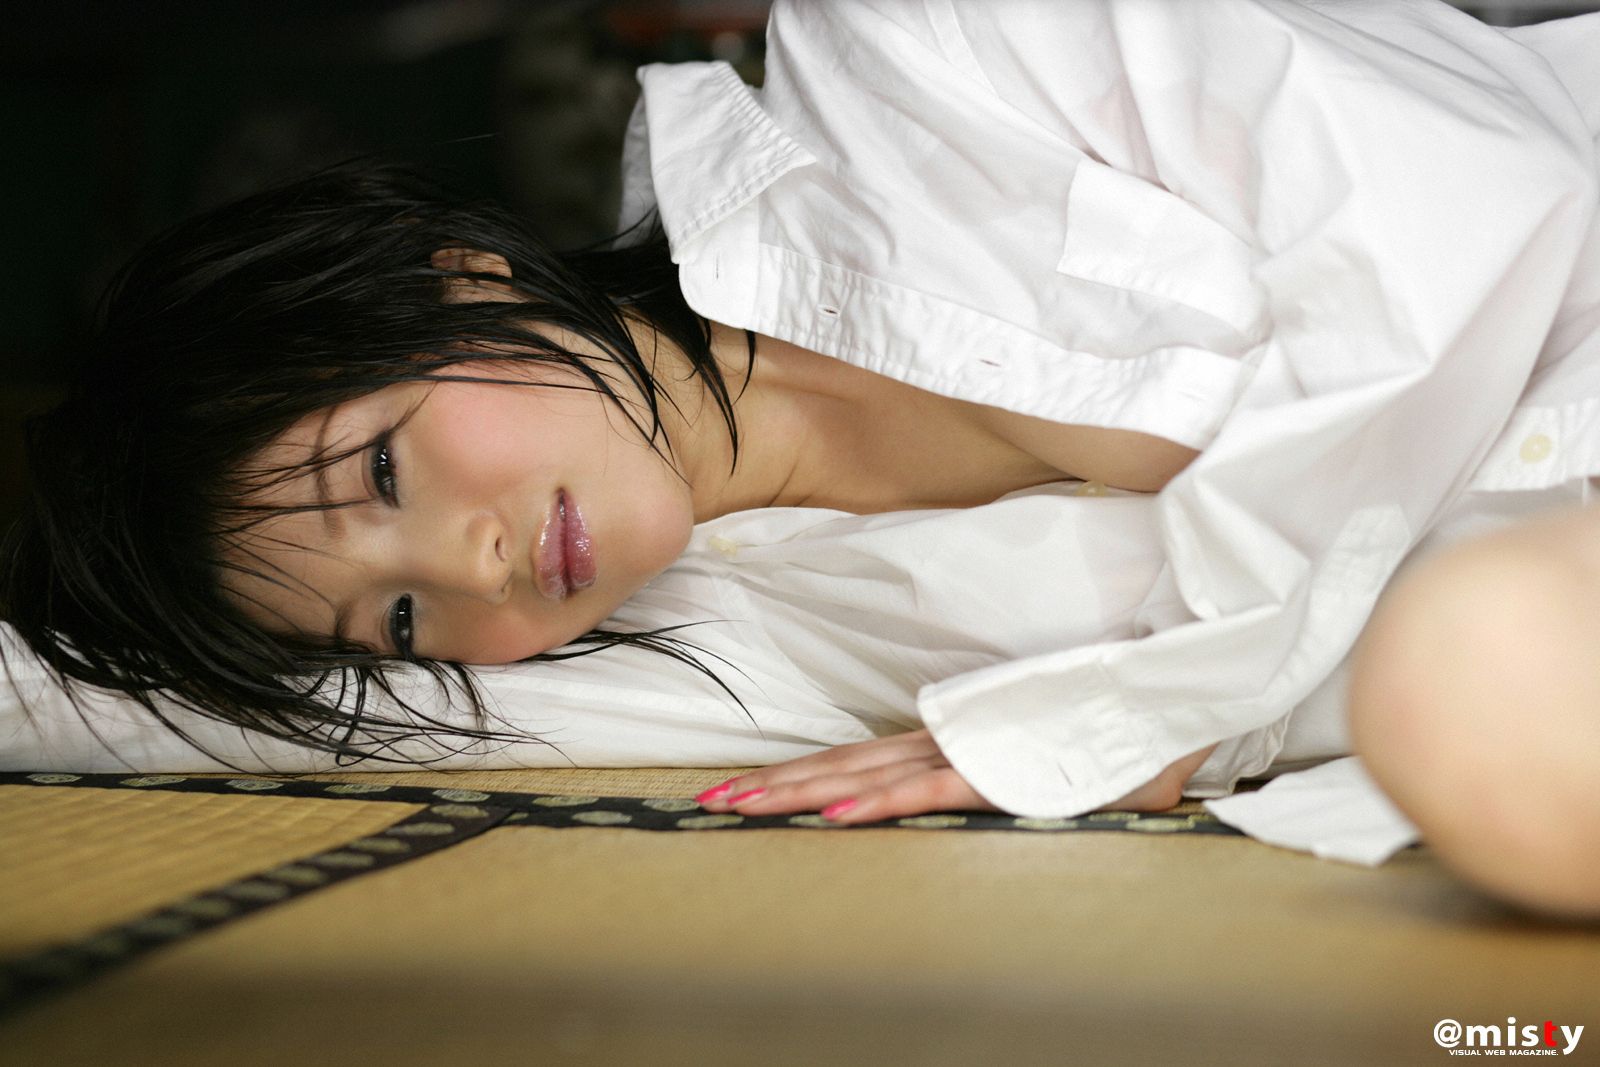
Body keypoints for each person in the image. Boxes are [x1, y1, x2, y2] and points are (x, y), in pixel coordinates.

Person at [3, 0, 1598, 918]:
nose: (467, 571)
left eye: (382, 478)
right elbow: (139, 707)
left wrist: (1151, 708)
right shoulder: (736, 639)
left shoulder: (915, 54)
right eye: (402, 622)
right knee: (1466, 697)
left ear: (458, 280)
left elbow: (1486, 196)